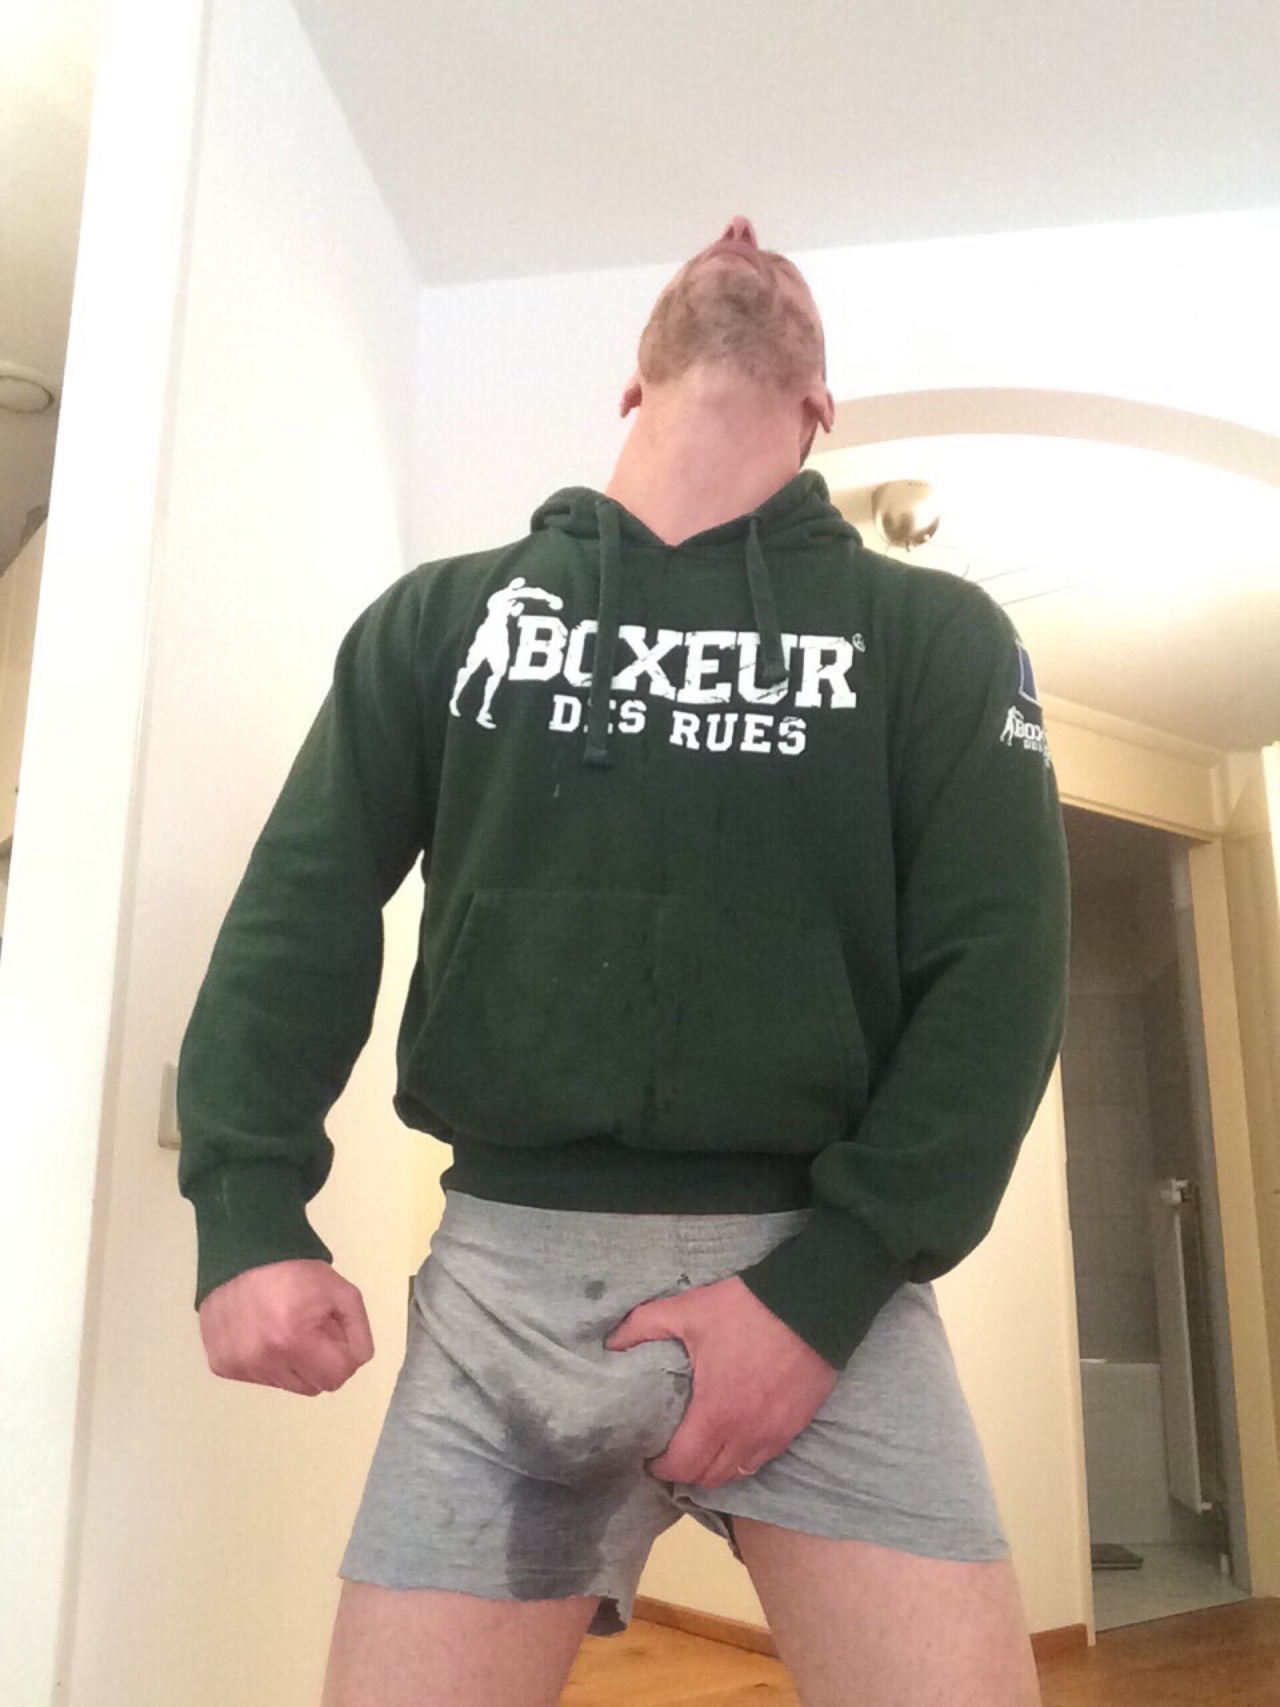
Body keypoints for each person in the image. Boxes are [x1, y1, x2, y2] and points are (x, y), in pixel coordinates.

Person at [179, 216, 1068, 1707]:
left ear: (820, 405)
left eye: (777, 256)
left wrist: (826, 1294)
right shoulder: (440, 619)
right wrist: (245, 1205)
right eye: (718, 247)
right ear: (631, 383)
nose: (743, 232)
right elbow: (301, 907)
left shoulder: (940, 638)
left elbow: (1002, 975)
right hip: (501, 1300)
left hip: (827, 1292)